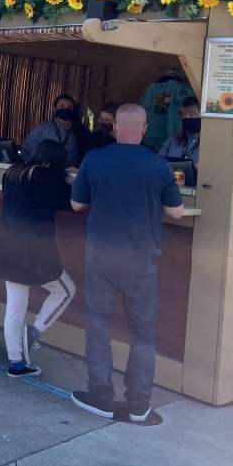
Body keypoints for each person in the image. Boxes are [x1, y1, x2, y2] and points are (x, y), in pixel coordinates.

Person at [69, 103, 185, 424]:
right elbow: (177, 213)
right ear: (145, 130)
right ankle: (138, 406)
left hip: (100, 260)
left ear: (115, 127)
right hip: (141, 263)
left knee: (98, 331)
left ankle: (101, 397)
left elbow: (77, 204)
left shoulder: (94, 158)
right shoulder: (159, 165)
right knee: (143, 336)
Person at [0, 139, 75, 378]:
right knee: (66, 291)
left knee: (15, 307)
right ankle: (34, 332)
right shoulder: (51, 179)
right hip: (36, 251)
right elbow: (73, 203)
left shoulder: (12, 173)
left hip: (7, 246)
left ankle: (16, 364)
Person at [21, 94, 86, 168]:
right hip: (46, 171)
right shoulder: (42, 129)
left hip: (71, 172)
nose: (66, 109)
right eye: (62, 107)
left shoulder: (81, 130)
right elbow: (26, 150)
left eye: (69, 107)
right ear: (55, 108)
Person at [158, 96, 201, 167]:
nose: (187, 118)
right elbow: (158, 162)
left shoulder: (209, 144)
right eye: (184, 116)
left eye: (191, 115)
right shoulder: (173, 140)